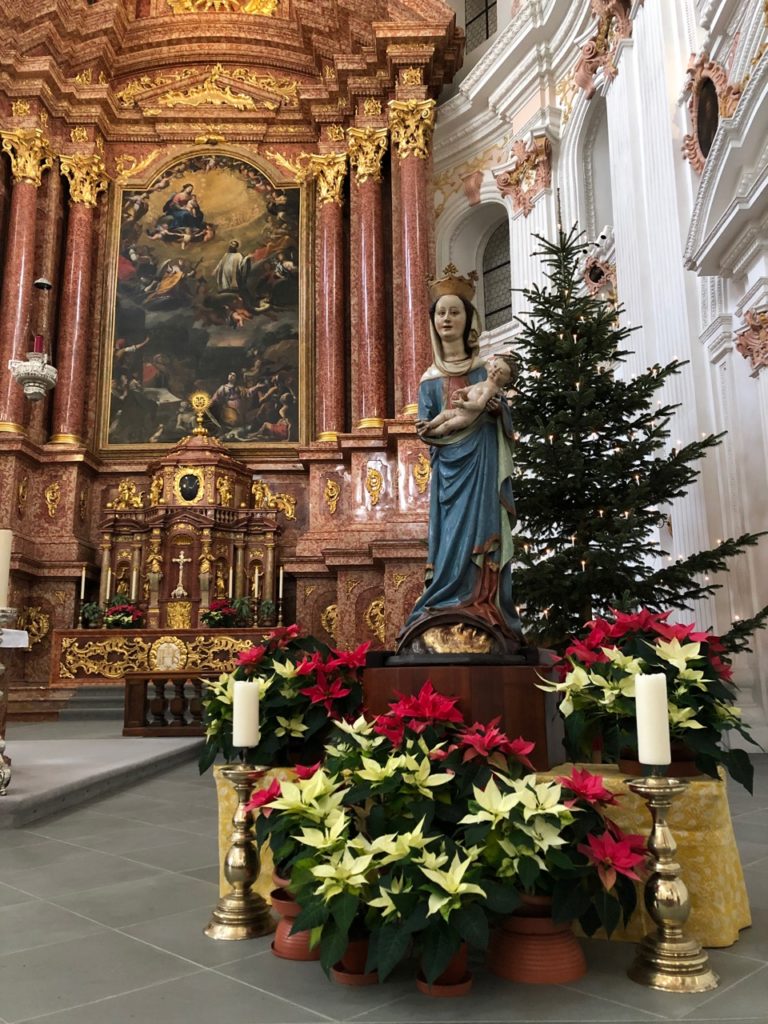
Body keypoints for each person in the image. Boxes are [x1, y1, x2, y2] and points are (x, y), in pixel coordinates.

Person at [401, 267, 522, 644]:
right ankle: (445, 601)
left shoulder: (485, 370)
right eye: (441, 313)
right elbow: (426, 425)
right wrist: (431, 429)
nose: (447, 319)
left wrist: (495, 409)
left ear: (469, 319)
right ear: (433, 322)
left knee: (483, 531)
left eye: (455, 312)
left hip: (483, 464)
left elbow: (505, 416)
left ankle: (482, 604)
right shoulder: (429, 378)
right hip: (448, 471)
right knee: (448, 536)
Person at [416, 354, 516, 438]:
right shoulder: (483, 382)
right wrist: (463, 391)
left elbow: (479, 405)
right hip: (459, 411)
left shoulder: (489, 388)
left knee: (447, 424)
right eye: (494, 366)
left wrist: (463, 404)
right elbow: (470, 388)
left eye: (500, 372)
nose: (494, 371)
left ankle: (432, 433)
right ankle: (430, 424)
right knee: (444, 414)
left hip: (467, 419)